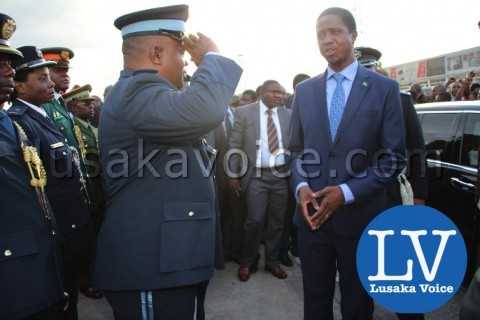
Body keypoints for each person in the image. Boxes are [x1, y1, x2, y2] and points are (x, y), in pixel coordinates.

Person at [93, 5, 242, 319]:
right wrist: (212, 57)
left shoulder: (146, 94)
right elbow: (204, 110)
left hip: (171, 260)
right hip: (151, 265)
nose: (185, 64)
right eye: (181, 55)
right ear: (157, 54)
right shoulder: (136, 92)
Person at [289, 7, 405, 320]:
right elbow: (295, 152)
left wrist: (347, 192)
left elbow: (394, 158)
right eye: (320, 34)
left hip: (361, 219)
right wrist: (300, 186)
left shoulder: (384, 89)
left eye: (335, 32)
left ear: (353, 35)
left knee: (357, 305)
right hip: (312, 220)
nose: (327, 40)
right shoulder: (304, 91)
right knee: (315, 302)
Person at [8, 45, 92, 320]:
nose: (50, 83)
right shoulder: (20, 122)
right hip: (56, 229)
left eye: (48, 76)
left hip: (70, 225)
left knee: (70, 297)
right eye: (41, 79)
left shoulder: (45, 113)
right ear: (19, 87)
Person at [0, 13, 66, 320]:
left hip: (36, 266)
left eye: (8, 63)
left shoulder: (11, 125)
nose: (8, 71)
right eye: (0, 63)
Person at [356, 46, 427, 320]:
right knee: (359, 271)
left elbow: (417, 150)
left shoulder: (401, 99)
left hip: (392, 197)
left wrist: (419, 196)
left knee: (402, 270)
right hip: (356, 199)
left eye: (370, 69)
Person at [229, 79, 291, 281]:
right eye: (275, 92)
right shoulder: (244, 112)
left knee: (277, 222)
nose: (280, 96)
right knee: (254, 220)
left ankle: (273, 261)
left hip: (281, 175)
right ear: (263, 92)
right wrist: (233, 174)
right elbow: (235, 144)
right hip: (256, 175)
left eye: (282, 93)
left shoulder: (288, 115)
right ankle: (248, 261)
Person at [63, 84, 105, 299]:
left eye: (91, 103)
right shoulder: (74, 129)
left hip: (97, 188)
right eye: (85, 103)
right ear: (72, 106)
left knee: (97, 234)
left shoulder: (91, 127)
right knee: (86, 238)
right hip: (85, 188)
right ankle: (86, 281)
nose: (91, 107)